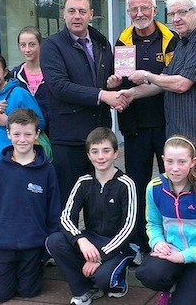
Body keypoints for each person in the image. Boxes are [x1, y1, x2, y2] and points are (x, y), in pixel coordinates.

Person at [113, 0, 196, 190]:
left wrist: (147, 75)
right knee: (182, 197)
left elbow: (181, 84)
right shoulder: (185, 42)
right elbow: (164, 80)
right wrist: (131, 94)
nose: (176, 18)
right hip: (184, 135)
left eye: (182, 12)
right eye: (173, 13)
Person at [40, 0, 129, 205]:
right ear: (64, 14)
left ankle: (96, 239)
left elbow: (102, 82)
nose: (76, 16)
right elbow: (60, 87)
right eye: (71, 11)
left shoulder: (101, 43)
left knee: (99, 202)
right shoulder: (52, 46)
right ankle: (68, 239)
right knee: (67, 201)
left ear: (91, 14)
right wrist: (103, 94)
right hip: (68, 139)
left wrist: (112, 84)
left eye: (82, 11)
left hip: (98, 137)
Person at [109, 0, 179, 258]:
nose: (139, 14)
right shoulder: (123, 39)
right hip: (134, 125)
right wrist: (113, 83)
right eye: (134, 9)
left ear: (154, 10)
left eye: (144, 8)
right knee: (136, 185)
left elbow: (172, 81)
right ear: (129, 13)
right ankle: (138, 240)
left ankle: (170, 237)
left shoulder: (170, 38)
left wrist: (147, 79)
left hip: (165, 122)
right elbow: (117, 78)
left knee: (169, 183)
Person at [0, 108, 60, 302]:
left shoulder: (47, 170)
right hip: (2, 243)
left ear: (37, 134)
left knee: (29, 292)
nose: (22, 139)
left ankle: (28, 270)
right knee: (0, 296)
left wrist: (48, 248)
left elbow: (54, 210)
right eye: (16, 134)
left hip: (32, 244)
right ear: (8, 134)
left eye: (28, 134)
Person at [46, 127, 137, 305]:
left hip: (117, 245)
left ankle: (118, 279)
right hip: (91, 238)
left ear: (116, 153)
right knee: (54, 241)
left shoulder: (126, 184)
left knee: (104, 279)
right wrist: (80, 239)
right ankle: (82, 290)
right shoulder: (84, 182)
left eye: (106, 151)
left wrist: (101, 256)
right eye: (95, 151)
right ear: (88, 155)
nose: (100, 157)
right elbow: (66, 217)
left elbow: (129, 226)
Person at [135, 135, 196, 305]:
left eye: (181, 162)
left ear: (193, 162)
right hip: (171, 251)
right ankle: (174, 286)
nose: (175, 168)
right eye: (170, 161)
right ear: (162, 160)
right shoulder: (154, 188)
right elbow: (153, 223)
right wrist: (157, 241)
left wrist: (183, 256)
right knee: (147, 273)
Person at [0, 52, 46, 179]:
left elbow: (40, 123)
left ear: (5, 72)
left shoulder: (19, 94)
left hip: (19, 159)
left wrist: (9, 122)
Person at [10, 26, 49, 129]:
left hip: (51, 131)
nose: (27, 49)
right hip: (23, 133)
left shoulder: (51, 72)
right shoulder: (14, 74)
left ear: (40, 45)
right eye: (23, 45)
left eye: (32, 45)